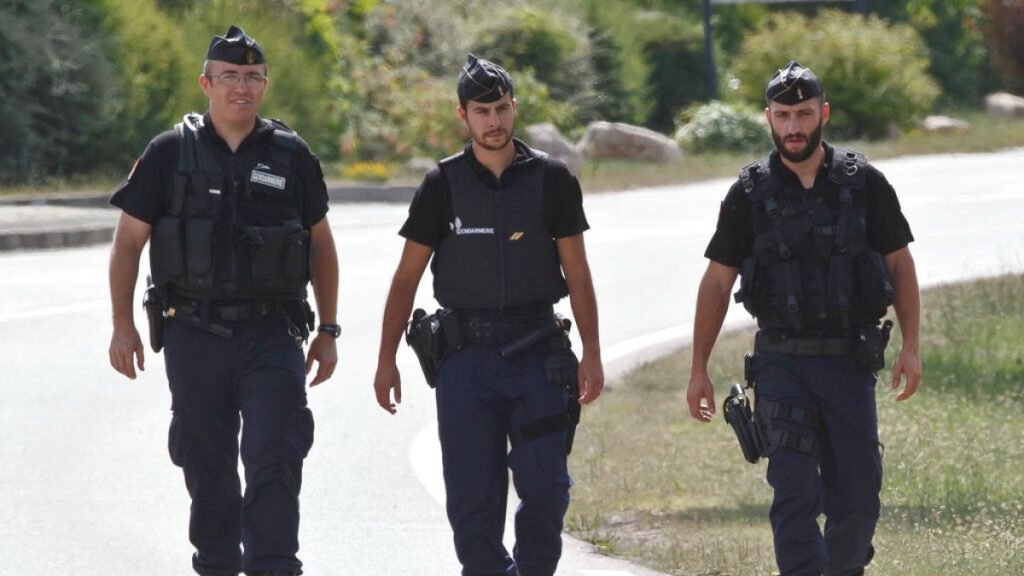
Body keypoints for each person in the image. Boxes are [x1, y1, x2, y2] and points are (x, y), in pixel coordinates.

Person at [107, 25, 339, 576]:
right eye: (230, 77)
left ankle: (274, 565)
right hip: (193, 333)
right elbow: (127, 245)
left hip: (272, 333)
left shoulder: (291, 155)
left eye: (253, 77)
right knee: (206, 462)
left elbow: (322, 247)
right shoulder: (168, 154)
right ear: (206, 83)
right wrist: (122, 325)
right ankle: (216, 563)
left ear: (265, 84)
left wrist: (328, 330)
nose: (242, 87)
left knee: (275, 455)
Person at [685, 61, 922, 576]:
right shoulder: (748, 193)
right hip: (781, 366)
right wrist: (698, 368)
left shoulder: (865, 184)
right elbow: (718, 282)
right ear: (768, 117)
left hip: (848, 362)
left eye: (804, 114)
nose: (794, 127)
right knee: (794, 495)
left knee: (857, 498)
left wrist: (911, 345)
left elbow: (899, 263)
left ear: (824, 114)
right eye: (783, 115)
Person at [372, 54, 604, 576]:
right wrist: (385, 360)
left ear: (514, 108)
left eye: (501, 108)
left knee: (546, 492)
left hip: (539, 356)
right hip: (465, 362)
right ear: (463, 116)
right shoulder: (442, 185)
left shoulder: (552, 179)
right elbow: (406, 279)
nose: (494, 121)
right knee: (474, 507)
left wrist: (591, 352)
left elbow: (580, 274)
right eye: (482, 111)